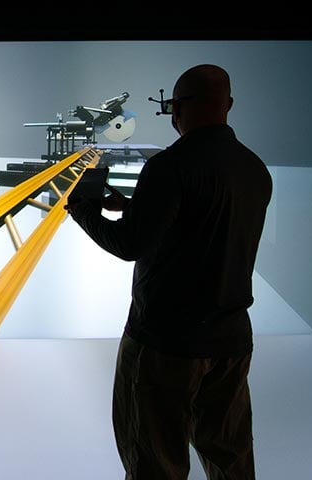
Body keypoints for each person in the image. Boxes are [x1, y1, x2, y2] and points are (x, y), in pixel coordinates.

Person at [66, 64, 273, 479]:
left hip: (165, 344)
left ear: (178, 108)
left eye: (170, 108)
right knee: (230, 456)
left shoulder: (169, 167)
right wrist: (140, 208)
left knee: (154, 461)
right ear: (227, 105)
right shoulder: (255, 169)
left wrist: (82, 211)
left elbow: (129, 245)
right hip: (231, 341)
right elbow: (204, 224)